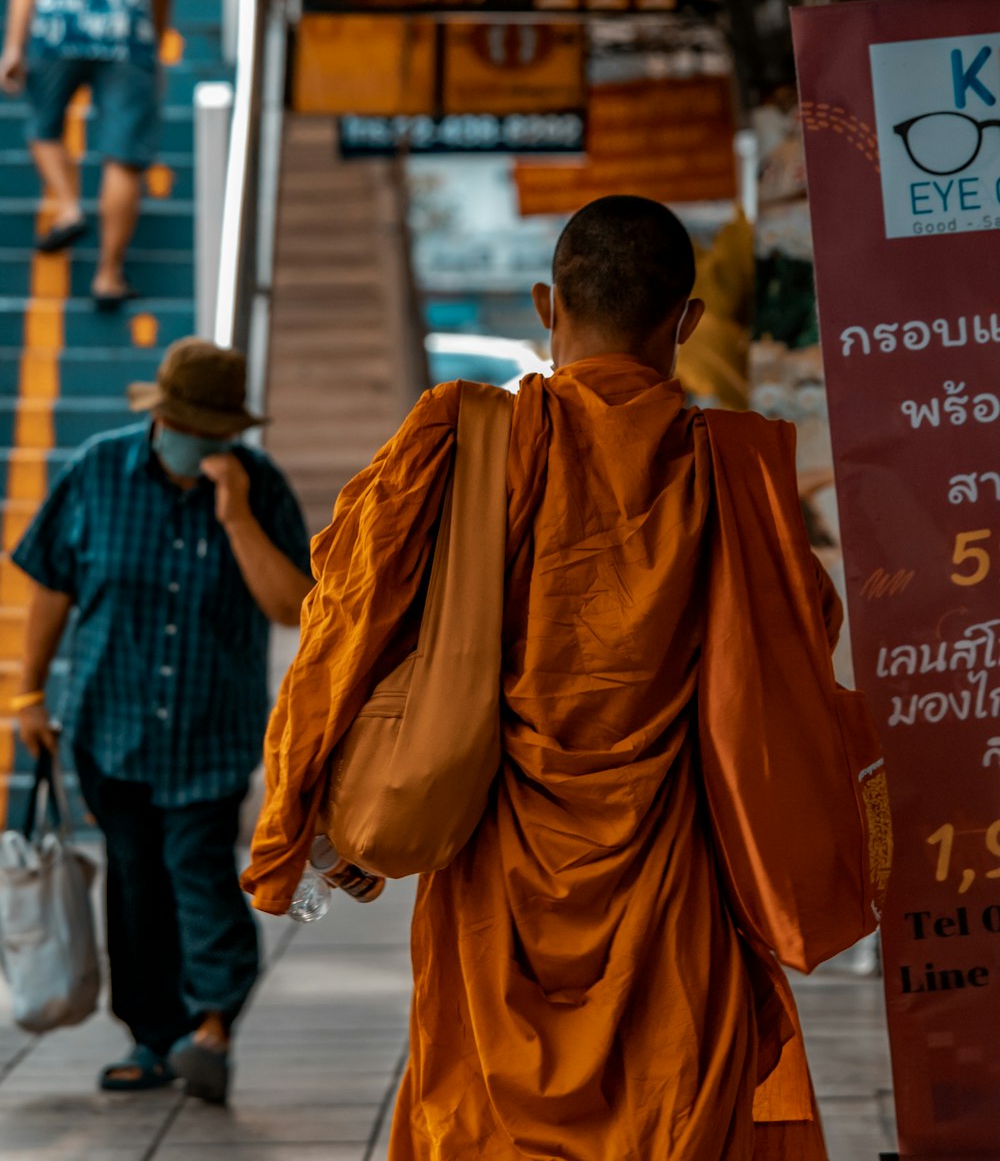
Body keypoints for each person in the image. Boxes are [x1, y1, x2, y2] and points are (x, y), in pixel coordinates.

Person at [243, 196, 884, 1160]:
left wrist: (300, 820)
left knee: (483, 1120)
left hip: (496, 874)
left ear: (548, 303)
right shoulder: (738, 469)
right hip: (677, 886)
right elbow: (797, 662)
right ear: (689, 323)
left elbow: (347, 620)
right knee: (676, 1111)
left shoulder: (458, 441)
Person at [11, 337, 314, 1104]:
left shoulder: (261, 486)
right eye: (190, 426)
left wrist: (237, 515)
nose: (200, 443)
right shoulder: (97, 470)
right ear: (163, 417)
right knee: (137, 885)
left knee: (201, 874)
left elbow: (290, 605)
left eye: (217, 432)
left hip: (209, 732)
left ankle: (212, 1026)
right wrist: (29, 693)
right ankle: (152, 1039)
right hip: (110, 727)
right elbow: (52, 586)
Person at [0, 0, 167, 308]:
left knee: (43, 128)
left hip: (58, 28)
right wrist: (154, 39)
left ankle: (70, 207)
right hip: (124, 34)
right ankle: (108, 275)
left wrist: (13, 44)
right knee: (124, 156)